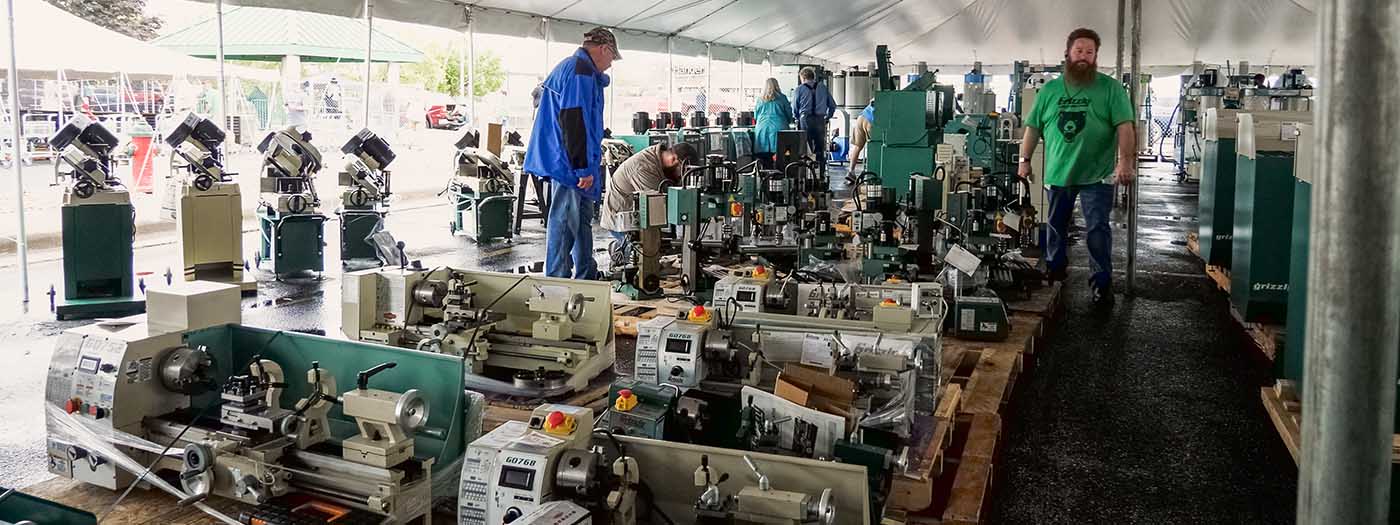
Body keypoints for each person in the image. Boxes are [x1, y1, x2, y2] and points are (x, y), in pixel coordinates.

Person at [1019, 27, 1136, 307]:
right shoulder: (1049, 90)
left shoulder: (1110, 89)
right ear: (1068, 54)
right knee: (1056, 226)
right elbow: (1033, 128)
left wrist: (1125, 162)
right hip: (1060, 173)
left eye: (1090, 52)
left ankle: (1101, 283)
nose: (1083, 56)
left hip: (1099, 173)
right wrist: (1024, 161)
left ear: (1096, 56)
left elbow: (1125, 127)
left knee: (1097, 228)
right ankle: (1055, 272)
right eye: (1079, 50)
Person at [524, 27, 621, 280]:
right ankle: (557, 280)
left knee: (582, 221)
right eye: (612, 58)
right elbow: (573, 120)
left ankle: (587, 274)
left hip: (572, 159)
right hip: (568, 163)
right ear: (604, 49)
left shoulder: (583, 70)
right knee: (565, 222)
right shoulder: (579, 72)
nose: (611, 65)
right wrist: (581, 169)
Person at [600, 142, 698, 242]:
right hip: (621, 223)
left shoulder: (658, 159)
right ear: (673, 159)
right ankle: (620, 249)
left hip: (637, 219)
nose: (680, 176)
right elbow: (656, 206)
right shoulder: (643, 168)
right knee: (648, 250)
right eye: (682, 171)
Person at [792, 67, 836, 162]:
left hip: (805, 120)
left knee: (805, 147)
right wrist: (828, 117)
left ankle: (806, 170)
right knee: (820, 147)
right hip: (820, 120)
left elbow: (795, 107)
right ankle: (819, 171)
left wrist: (796, 118)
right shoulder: (823, 87)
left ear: (802, 78)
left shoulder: (799, 89)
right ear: (813, 77)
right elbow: (832, 105)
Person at [752, 78, 794, 169]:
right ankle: (779, 176)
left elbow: (755, 116)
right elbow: (789, 114)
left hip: (762, 128)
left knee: (764, 157)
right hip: (779, 128)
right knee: (782, 155)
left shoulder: (760, 99)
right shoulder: (782, 98)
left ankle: (765, 177)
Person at [848, 100, 875, 168]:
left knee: (857, 147)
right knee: (875, 146)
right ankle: (872, 170)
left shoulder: (878, 96)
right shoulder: (893, 97)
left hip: (861, 118)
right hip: (870, 121)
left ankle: (851, 171)